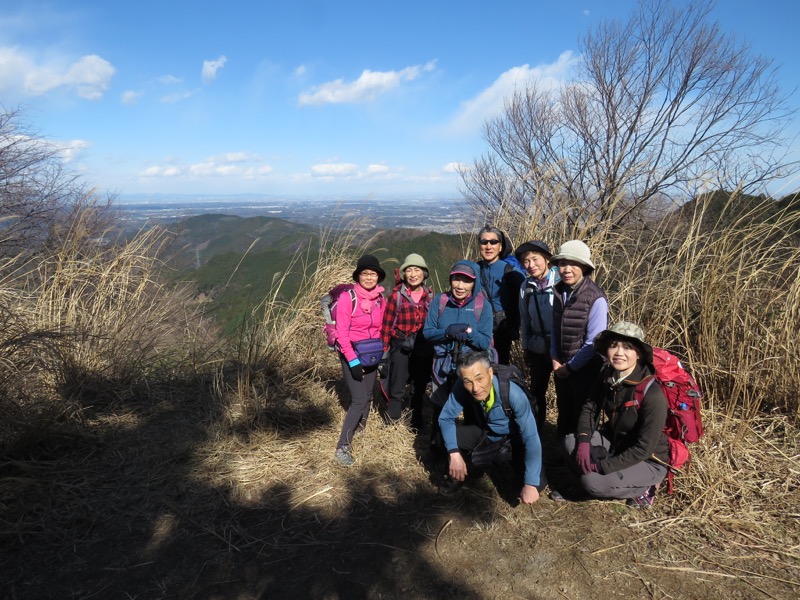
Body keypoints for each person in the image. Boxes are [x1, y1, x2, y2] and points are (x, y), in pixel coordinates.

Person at [561, 322, 669, 508]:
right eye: (613, 346)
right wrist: (585, 442)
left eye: (627, 347)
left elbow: (643, 449)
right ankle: (593, 477)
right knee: (570, 441)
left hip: (648, 460)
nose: (619, 352)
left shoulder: (652, 395)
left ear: (639, 354)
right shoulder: (607, 374)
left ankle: (645, 488)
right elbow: (590, 408)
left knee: (592, 482)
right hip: (616, 444)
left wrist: (601, 467)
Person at [437, 351, 542, 504]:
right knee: (444, 436)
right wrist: (454, 453)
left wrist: (531, 483)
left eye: (479, 379)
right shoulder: (462, 385)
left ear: (490, 373)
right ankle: (456, 475)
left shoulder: (514, 395)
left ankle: (512, 466)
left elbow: (531, 437)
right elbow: (446, 418)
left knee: (535, 484)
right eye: (468, 381)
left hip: (514, 438)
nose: (475, 388)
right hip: (487, 432)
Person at [423, 260, 494, 444]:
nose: (460, 286)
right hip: (443, 365)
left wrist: (469, 332)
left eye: (466, 281)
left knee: (473, 409)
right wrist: (447, 332)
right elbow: (428, 333)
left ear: (474, 283)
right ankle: (437, 448)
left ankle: (472, 451)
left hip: (470, 367)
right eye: (456, 279)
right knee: (440, 408)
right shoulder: (440, 301)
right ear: (451, 280)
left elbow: (485, 341)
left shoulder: (482, 306)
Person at [550, 240, 608, 438]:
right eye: (562, 263)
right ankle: (563, 457)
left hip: (587, 370)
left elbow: (594, 342)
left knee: (583, 418)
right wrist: (555, 358)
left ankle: (583, 461)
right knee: (564, 413)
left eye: (573, 264)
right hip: (563, 367)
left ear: (584, 267)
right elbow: (554, 328)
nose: (566, 269)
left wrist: (570, 367)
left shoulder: (595, 298)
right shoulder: (559, 292)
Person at [334, 254, 386, 467]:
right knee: (358, 400)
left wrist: (384, 354)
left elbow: (381, 328)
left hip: (372, 353)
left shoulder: (381, 298)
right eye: (365, 273)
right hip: (352, 353)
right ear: (358, 276)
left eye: (373, 274)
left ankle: (361, 428)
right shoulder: (348, 298)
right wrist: (353, 361)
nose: (369, 278)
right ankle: (342, 448)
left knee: (367, 394)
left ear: (378, 277)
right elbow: (341, 333)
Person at [379, 253, 434, 430]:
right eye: (408, 270)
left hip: (422, 346)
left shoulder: (431, 296)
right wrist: (385, 350)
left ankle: (415, 420)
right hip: (400, 344)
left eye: (417, 270)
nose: (412, 274)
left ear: (424, 273)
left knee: (418, 385)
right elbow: (387, 325)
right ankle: (392, 417)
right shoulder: (396, 296)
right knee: (398, 382)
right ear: (403, 274)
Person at [517, 240, 559, 429]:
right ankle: (536, 431)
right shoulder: (526, 286)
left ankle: (563, 435)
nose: (531, 265)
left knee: (564, 393)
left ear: (547, 259)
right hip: (536, 347)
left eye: (535, 259)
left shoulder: (560, 281)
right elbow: (524, 320)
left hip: (560, 348)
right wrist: (525, 347)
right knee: (536, 391)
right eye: (526, 261)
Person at [476, 226, 525, 365]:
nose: (488, 246)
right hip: (477, 332)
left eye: (493, 242)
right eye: (484, 242)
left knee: (499, 371)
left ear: (501, 246)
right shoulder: (473, 270)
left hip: (501, 333)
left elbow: (524, 304)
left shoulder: (512, 273)